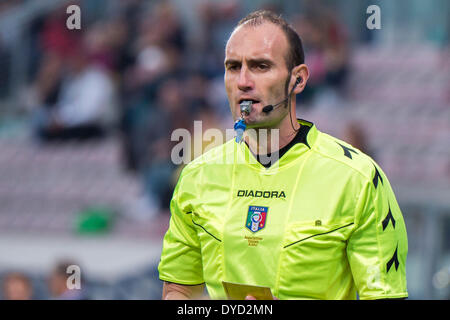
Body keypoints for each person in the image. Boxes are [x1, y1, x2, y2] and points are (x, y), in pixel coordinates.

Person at [158, 10, 408, 300]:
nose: (243, 81)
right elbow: (178, 290)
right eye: (233, 67)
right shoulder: (197, 176)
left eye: (261, 66)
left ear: (297, 80)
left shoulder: (358, 178)